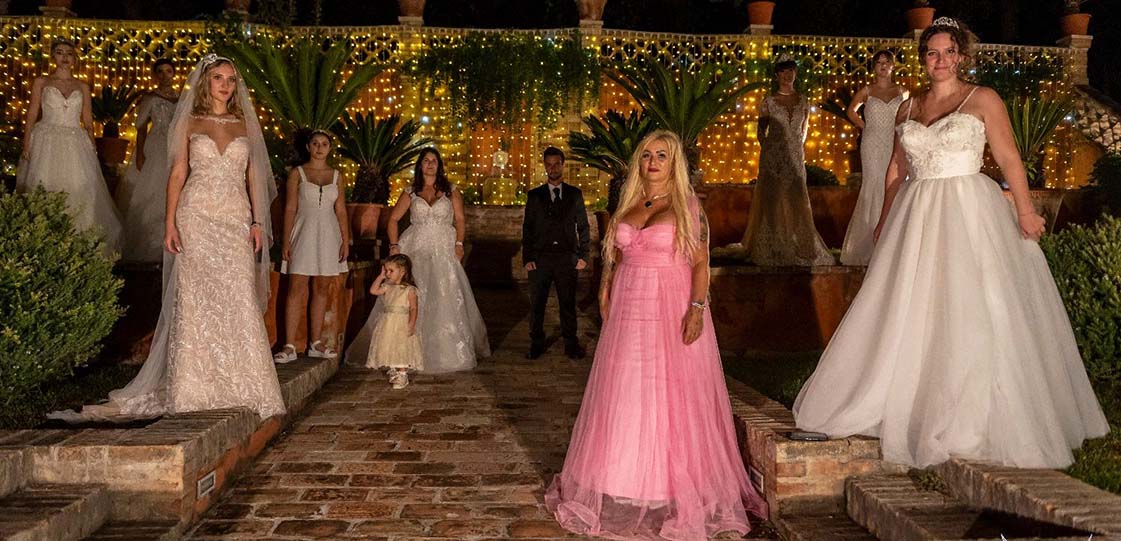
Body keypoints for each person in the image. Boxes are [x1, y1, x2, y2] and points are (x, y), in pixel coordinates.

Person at [793, 18, 1108, 469]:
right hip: (916, 214)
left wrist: (1024, 210)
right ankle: (910, 397)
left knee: (972, 303)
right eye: (931, 53)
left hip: (968, 210)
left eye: (948, 52)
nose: (940, 60)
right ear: (923, 58)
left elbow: (1008, 157)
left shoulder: (983, 99)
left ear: (961, 56)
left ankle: (975, 410)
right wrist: (883, 219)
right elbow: (896, 169)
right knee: (912, 305)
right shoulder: (908, 107)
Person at [546, 131, 767, 540]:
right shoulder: (629, 201)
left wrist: (696, 307)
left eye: (662, 155)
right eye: (647, 154)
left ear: (674, 162)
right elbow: (614, 255)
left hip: (670, 305)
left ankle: (670, 488)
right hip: (629, 310)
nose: (653, 162)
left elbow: (700, 263)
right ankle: (624, 480)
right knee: (626, 390)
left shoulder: (688, 205)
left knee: (670, 393)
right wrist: (604, 287)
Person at [49, 54, 286, 421]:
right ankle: (194, 388)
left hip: (234, 218)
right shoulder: (188, 121)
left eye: (230, 79)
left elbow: (254, 177)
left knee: (238, 293)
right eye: (218, 78)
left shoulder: (244, 125)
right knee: (196, 299)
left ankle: (245, 384)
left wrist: (257, 222)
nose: (225, 85)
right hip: (196, 215)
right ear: (205, 82)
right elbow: (177, 173)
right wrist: (171, 223)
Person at [345, 148, 490, 373]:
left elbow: (460, 220)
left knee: (443, 295)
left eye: (434, 161)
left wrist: (459, 244)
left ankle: (442, 351)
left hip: (443, 248)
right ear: (420, 165)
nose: (430, 164)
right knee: (413, 293)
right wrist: (394, 245)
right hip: (415, 247)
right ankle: (404, 350)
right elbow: (393, 219)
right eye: (426, 161)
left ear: (439, 165)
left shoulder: (451, 191)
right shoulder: (411, 192)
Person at [17, 39, 122, 255]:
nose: (64, 57)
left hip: (75, 141)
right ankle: (45, 241)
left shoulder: (82, 86)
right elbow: (32, 113)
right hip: (46, 139)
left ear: (75, 58)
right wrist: (26, 143)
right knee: (45, 185)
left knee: (79, 188)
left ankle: (77, 242)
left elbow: (87, 120)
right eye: (59, 52)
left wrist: (92, 146)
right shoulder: (41, 82)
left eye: (69, 53)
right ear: (53, 56)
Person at [740, 55, 834, 266]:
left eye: (790, 70)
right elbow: (760, 133)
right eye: (782, 71)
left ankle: (801, 246)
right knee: (773, 202)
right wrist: (771, 152)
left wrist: (795, 151)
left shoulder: (803, 101)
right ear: (777, 75)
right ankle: (772, 246)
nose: (787, 75)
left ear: (795, 73)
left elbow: (803, 131)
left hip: (795, 158)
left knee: (797, 200)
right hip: (772, 159)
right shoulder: (769, 102)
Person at [274, 130, 350, 363]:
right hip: (303, 233)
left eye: (324, 144)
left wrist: (345, 240)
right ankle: (289, 345)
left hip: (328, 235)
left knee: (321, 288)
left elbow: (341, 210)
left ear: (329, 148)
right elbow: (290, 208)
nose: (319, 147)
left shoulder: (336, 176)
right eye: (315, 143)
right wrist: (286, 240)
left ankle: (315, 343)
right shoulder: (297, 173)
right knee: (296, 287)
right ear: (308, 147)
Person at [521, 146, 591, 360]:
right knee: (537, 304)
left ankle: (571, 344)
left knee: (567, 303)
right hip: (540, 258)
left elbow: (583, 226)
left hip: (566, 258)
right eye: (549, 165)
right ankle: (536, 343)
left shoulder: (574, 194)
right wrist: (527, 258)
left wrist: (583, 255)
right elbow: (528, 228)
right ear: (545, 166)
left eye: (556, 164)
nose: (552, 168)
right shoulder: (534, 196)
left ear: (562, 165)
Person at [840, 50, 907, 266]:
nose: (883, 66)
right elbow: (851, 111)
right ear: (874, 67)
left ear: (893, 66)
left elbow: (909, 115)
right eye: (879, 63)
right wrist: (865, 127)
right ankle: (868, 241)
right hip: (872, 143)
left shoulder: (902, 91)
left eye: (887, 62)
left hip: (895, 141)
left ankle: (892, 242)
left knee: (894, 185)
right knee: (873, 184)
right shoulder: (867, 91)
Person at [116, 58, 179, 263]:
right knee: (154, 188)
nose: (164, 75)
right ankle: (150, 244)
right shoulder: (150, 98)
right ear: (155, 75)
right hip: (156, 146)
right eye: (160, 71)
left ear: (174, 74)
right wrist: (140, 153)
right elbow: (141, 126)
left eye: (168, 71)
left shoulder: (181, 99)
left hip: (175, 146)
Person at [366, 254, 423, 389]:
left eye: (391, 271)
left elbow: (413, 308)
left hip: (401, 322)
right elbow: (373, 290)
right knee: (389, 343)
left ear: (402, 271)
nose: (388, 273)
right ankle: (393, 368)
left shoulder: (409, 290)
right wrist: (380, 277)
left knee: (401, 345)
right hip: (388, 322)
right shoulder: (387, 286)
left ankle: (402, 374)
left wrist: (412, 323)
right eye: (386, 270)